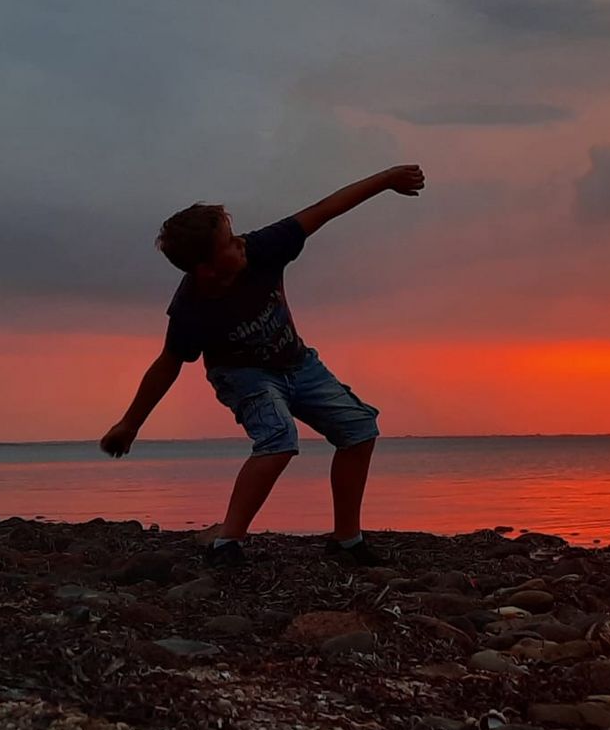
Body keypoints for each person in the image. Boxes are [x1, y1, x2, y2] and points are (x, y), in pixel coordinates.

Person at [100, 164, 426, 567]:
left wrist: (388, 179)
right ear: (206, 267)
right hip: (242, 376)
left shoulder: (265, 247)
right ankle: (227, 541)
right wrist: (130, 423)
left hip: (297, 362)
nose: (241, 245)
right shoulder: (191, 309)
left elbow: (325, 209)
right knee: (278, 437)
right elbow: (168, 364)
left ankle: (347, 539)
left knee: (358, 429)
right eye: (229, 244)